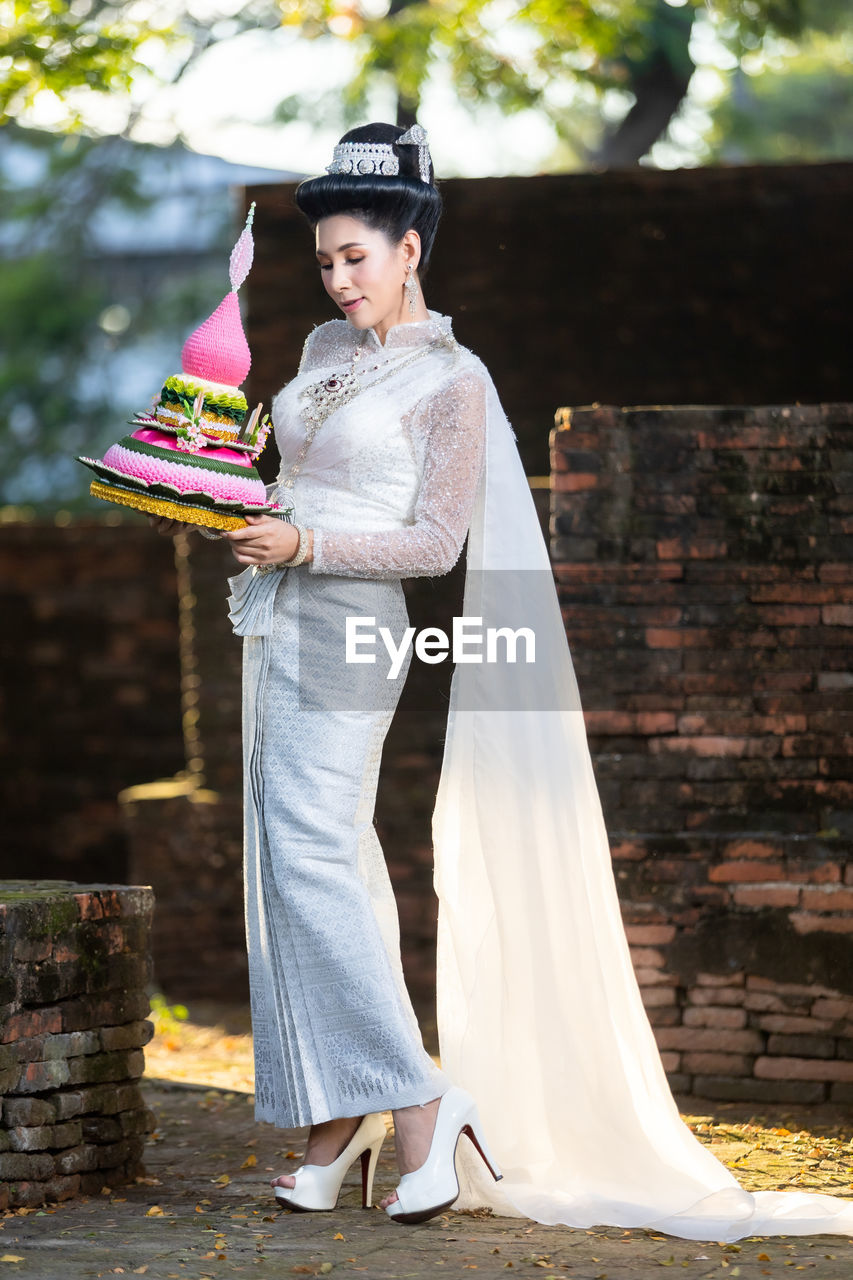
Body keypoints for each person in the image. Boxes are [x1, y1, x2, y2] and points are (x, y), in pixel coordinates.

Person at [154, 122, 853, 1240]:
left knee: (315, 852)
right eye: (324, 260)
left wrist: (308, 548)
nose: (337, 280)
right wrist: (222, 479)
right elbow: (295, 474)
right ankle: (336, 1126)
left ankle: (423, 1098)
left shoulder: (453, 382)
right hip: (273, 623)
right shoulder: (323, 356)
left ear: (410, 250)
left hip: (350, 629)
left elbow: (434, 543)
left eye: (356, 259)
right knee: (293, 863)